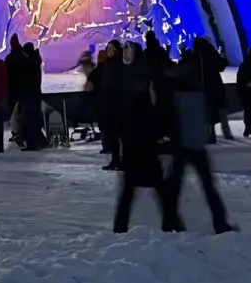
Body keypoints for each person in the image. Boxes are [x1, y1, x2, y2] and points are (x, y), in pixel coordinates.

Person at [162, 53, 233, 233]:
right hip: (193, 143)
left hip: (182, 143)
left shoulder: (175, 86)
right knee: (207, 186)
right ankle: (220, 223)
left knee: (176, 186)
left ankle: (170, 223)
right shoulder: (197, 85)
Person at [113, 64, 167, 232]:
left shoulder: (129, 102)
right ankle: (172, 222)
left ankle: (120, 226)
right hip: (145, 152)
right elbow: (152, 126)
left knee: (129, 192)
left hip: (133, 153)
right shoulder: (144, 102)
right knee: (160, 189)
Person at [95, 40, 125, 169]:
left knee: (122, 136)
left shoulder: (122, 65)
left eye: (112, 48)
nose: (110, 51)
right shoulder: (106, 65)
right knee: (112, 136)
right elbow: (96, 80)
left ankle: (124, 161)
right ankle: (115, 160)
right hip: (108, 105)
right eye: (108, 48)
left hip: (119, 105)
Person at [195, 37, 232, 141]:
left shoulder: (196, 55)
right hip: (216, 84)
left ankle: (210, 133)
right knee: (221, 109)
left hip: (204, 86)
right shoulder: (212, 52)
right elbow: (222, 66)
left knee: (209, 111)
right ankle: (226, 132)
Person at [21, 41, 47, 149]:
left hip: (30, 94)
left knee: (29, 120)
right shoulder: (35, 61)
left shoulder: (29, 63)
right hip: (35, 93)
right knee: (34, 119)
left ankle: (32, 143)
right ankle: (40, 141)